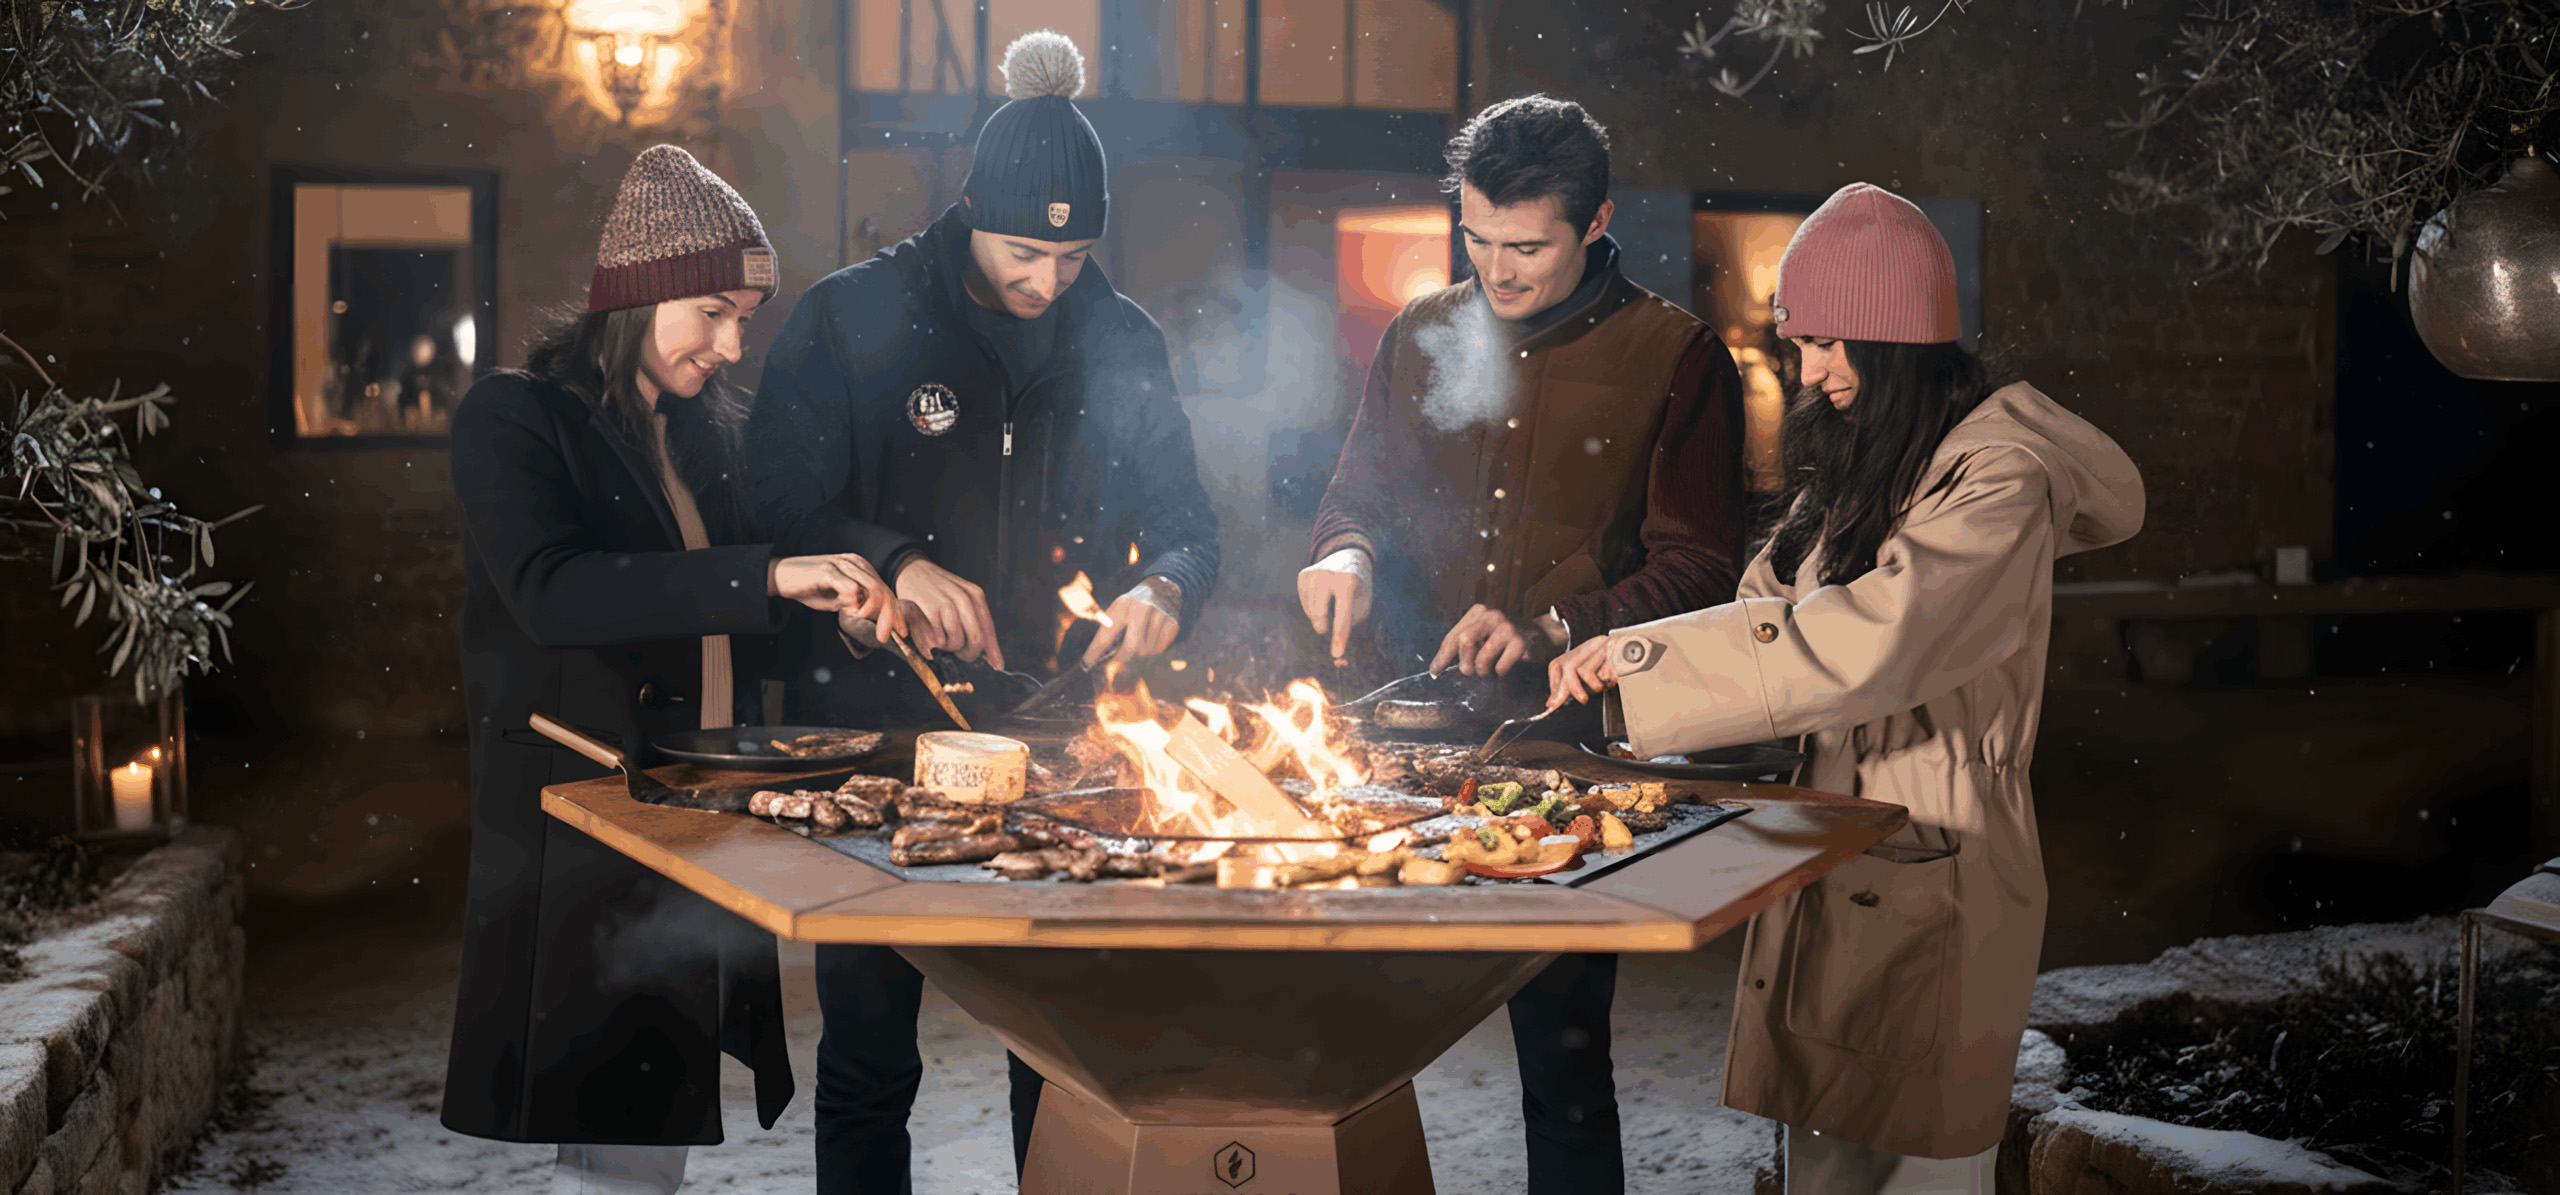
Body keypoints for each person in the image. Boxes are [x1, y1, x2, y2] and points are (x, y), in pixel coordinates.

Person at [1548, 182, 2147, 1194]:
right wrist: (1636, 648)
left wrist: (1655, 667)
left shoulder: (1996, 480)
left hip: (1938, 854)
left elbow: (1878, 640)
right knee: (1823, 1159)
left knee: (1918, 1172)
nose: (1806, 367)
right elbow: (1768, 608)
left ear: (1899, 339)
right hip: (1834, 835)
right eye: (1799, 342)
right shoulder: (1868, 459)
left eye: (1829, 342)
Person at [742, 30, 1220, 1193]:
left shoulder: (1123, 338)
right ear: (970, 213)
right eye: (1023, 251)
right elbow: (768, 503)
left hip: (1062, 735)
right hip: (874, 727)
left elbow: (1195, 528)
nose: (1047, 281)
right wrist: (891, 563)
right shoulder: (852, 317)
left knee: (1057, 1056)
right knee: (865, 1057)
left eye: (1071, 255)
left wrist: (1166, 588)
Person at [1298, 94, 1749, 1195]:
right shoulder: (1420, 336)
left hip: (1561, 761)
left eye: (1527, 247)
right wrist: (1346, 553)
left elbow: (1702, 568)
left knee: (1563, 1061)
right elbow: (1354, 494)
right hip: (1402, 754)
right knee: (1340, 1052)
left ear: (1594, 223)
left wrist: (1558, 622)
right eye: (1478, 240)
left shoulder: (1675, 356)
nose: (1497, 271)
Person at [441, 144, 902, 1195]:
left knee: (651, 1122)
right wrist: (773, 571)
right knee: (609, 1125)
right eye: (712, 312)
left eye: (744, 317)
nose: (733, 344)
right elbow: (557, 593)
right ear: (639, 294)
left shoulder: (703, 438)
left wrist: (844, 621)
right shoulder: (515, 419)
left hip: (694, 813)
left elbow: (739, 621)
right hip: (587, 811)